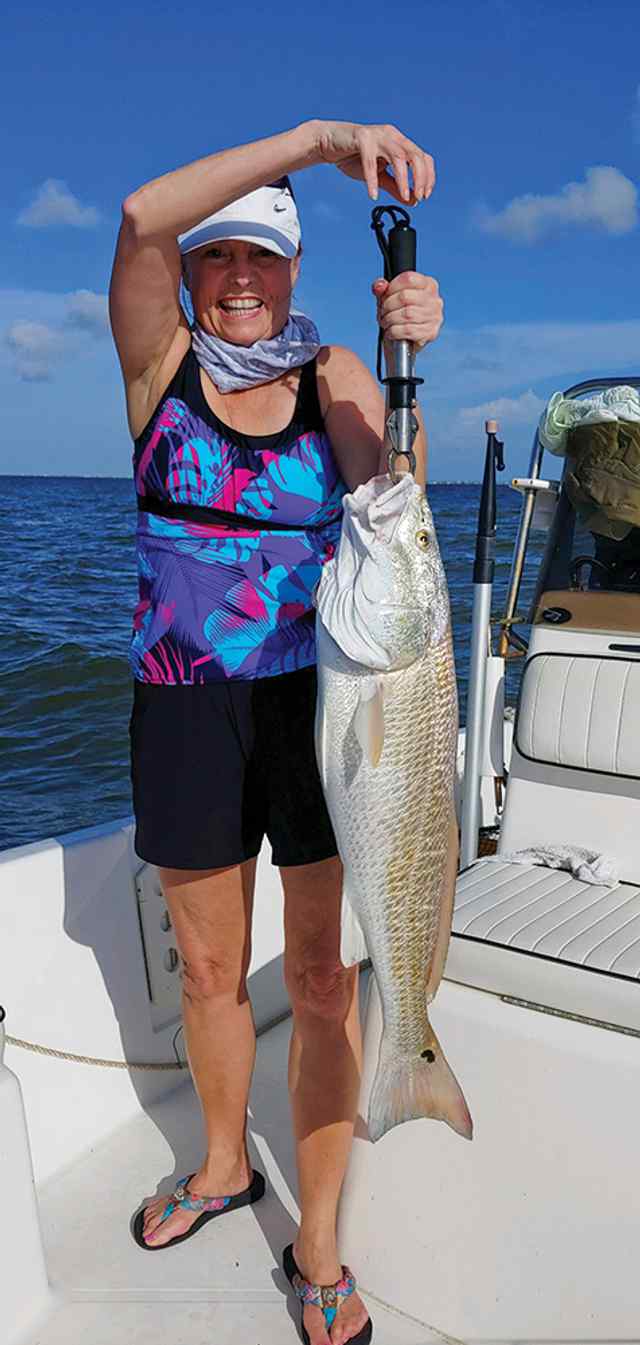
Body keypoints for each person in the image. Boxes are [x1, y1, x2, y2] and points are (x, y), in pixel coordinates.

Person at [109, 119, 443, 1345]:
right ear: (195, 275)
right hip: (185, 701)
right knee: (205, 970)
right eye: (222, 258)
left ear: (295, 275)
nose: (241, 279)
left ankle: (319, 1243)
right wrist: (312, 141)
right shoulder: (157, 367)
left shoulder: (333, 375)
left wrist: (412, 361)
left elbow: (389, 500)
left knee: (316, 977)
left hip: (323, 702)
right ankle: (219, 1169)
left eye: (264, 258)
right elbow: (141, 213)